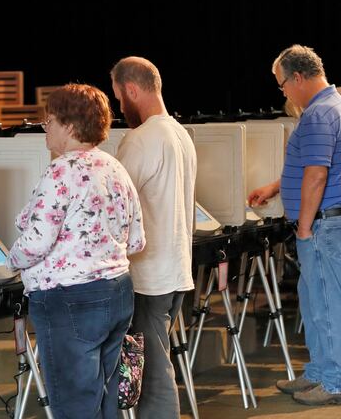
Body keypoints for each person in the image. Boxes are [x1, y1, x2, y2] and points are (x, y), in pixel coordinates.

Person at [7, 84, 144, 418]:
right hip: (118, 291)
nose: (45, 131)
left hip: (71, 300)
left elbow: (37, 241)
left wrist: (9, 261)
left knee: (75, 404)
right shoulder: (114, 167)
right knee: (105, 399)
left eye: (49, 122)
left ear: (69, 125)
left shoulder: (61, 171)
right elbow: (137, 240)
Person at [248, 44, 341, 405]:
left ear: (298, 77)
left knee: (327, 303)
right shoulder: (335, 107)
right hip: (339, 219)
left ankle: (336, 383)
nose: (283, 92)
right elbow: (315, 167)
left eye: (282, 84)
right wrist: (276, 186)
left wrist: (303, 227)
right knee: (315, 298)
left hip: (327, 223)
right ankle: (320, 372)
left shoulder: (318, 114)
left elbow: (317, 175)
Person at [111, 56, 197, 419]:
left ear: (131, 90)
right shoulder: (180, 133)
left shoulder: (142, 138)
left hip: (148, 276)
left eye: (118, 98)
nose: (119, 106)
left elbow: (115, 207)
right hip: (176, 269)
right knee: (156, 364)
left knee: (153, 374)